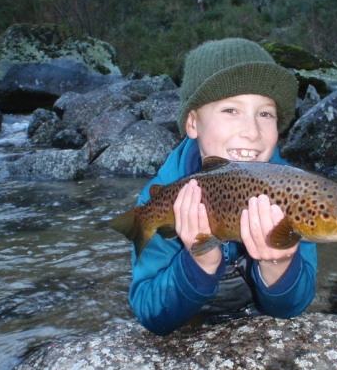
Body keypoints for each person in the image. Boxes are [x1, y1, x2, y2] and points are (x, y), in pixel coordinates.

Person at [128, 38, 317, 335]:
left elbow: (293, 308)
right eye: (231, 110)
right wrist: (200, 260)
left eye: (265, 114)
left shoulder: (295, 192)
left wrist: (278, 263)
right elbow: (149, 313)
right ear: (192, 123)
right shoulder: (161, 197)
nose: (252, 132)